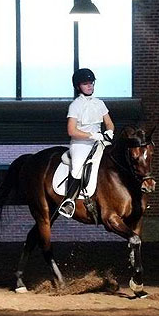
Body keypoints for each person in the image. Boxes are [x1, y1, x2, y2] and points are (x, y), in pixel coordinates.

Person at [58, 68, 115, 218]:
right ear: (78, 86)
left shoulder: (100, 103)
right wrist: (91, 135)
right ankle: (69, 201)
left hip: (100, 141)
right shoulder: (75, 105)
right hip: (81, 143)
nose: (90, 86)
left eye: (91, 83)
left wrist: (109, 132)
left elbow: (109, 123)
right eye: (86, 83)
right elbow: (71, 130)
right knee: (77, 168)